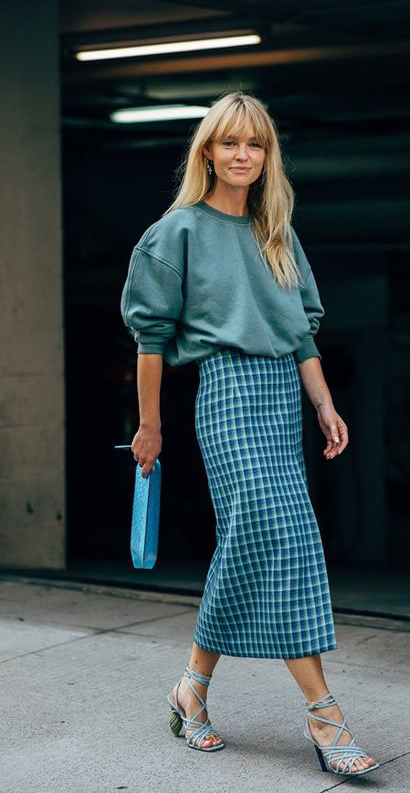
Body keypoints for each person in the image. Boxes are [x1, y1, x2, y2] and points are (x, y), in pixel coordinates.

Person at [119, 91, 380, 777]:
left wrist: (323, 404)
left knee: (249, 543)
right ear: (208, 151)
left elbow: (301, 335)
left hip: (281, 400)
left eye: (255, 145)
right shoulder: (175, 232)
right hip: (228, 395)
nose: (243, 155)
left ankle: (192, 687)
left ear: (268, 157)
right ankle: (326, 715)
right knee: (284, 538)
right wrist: (150, 425)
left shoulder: (277, 232)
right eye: (230, 142)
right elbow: (150, 339)